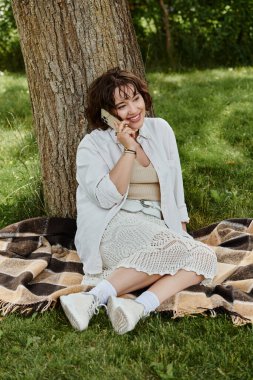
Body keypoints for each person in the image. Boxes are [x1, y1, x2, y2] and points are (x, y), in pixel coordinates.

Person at [60, 67, 217, 334]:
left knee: (205, 257)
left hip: (156, 226)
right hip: (112, 227)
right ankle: (91, 299)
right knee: (179, 252)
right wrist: (129, 149)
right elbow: (108, 197)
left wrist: (181, 232)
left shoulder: (161, 130)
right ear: (107, 114)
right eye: (122, 105)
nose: (134, 110)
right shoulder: (92, 145)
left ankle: (136, 307)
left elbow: (176, 189)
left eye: (136, 99)